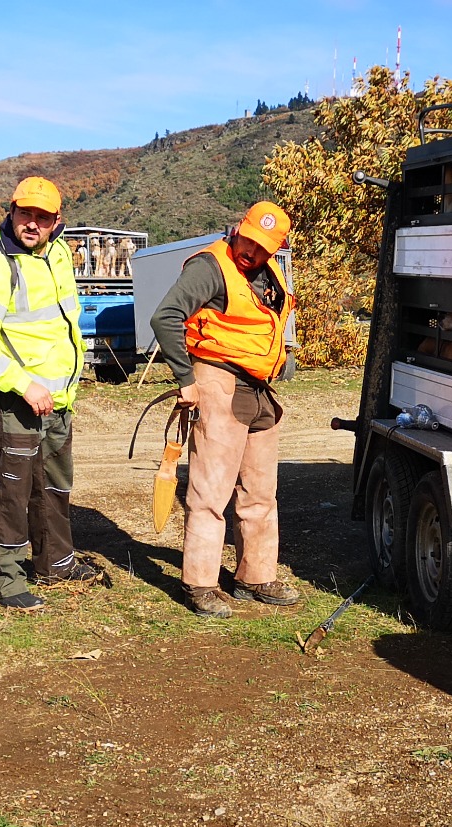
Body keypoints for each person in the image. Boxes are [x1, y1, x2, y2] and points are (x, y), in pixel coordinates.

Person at [0, 177, 100, 609]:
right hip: (13, 400)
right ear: (11, 211)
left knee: (53, 485)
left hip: (58, 400)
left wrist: (61, 387)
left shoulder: (58, 255)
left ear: (57, 221)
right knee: (11, 490)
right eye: (25, 213)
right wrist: (23, 384)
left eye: (43, 216)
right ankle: (5, 579)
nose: (32, 223)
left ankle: (56, 562)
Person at [149, 201, 300, 618]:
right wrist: (185, 379)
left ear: (277, 246)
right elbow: (165, 318)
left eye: (263, 246)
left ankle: (255, 576)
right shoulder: (210, 267)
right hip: (216, 381)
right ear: (238, 228)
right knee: (209, 492)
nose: (252, 251)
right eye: (248, 240)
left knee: (260, 491)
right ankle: (199, 583)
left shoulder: (268, 272)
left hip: (258, 388)